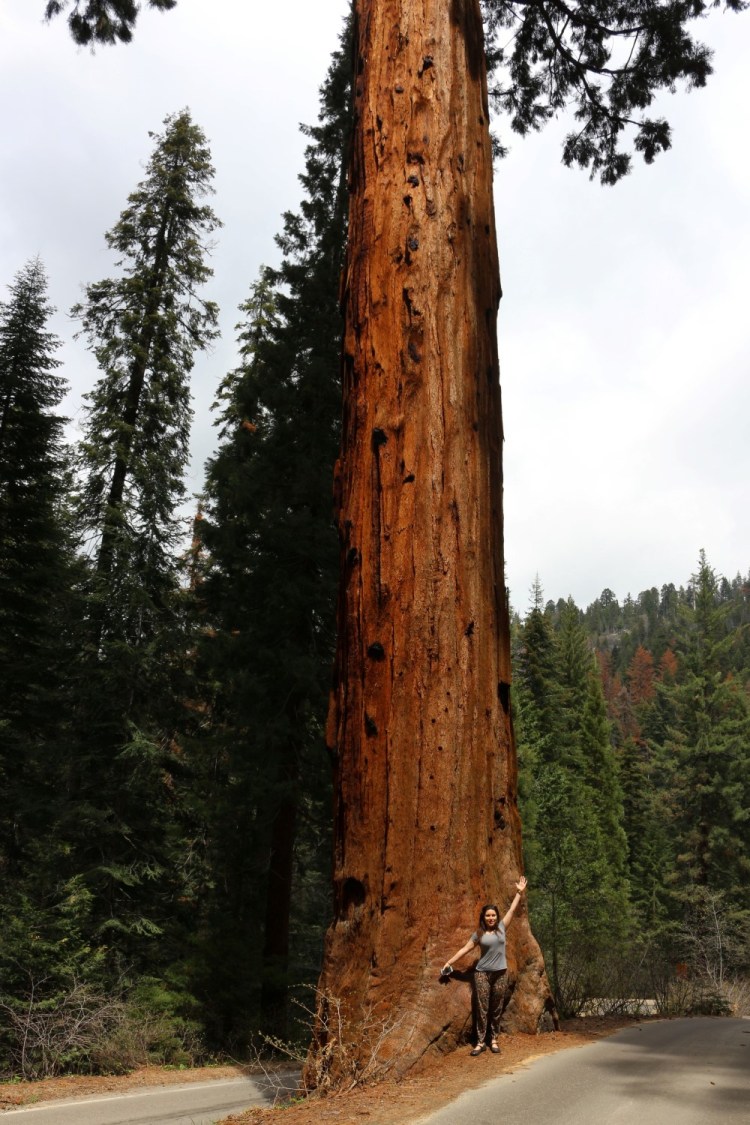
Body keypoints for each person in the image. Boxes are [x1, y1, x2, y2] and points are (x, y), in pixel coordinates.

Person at [442, 876, 528, 1056]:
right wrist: (449, 962)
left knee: (496, 1008)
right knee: (482, 1008)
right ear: (484, 917)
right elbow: (465, 948)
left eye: (493, 915)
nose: (491, 918)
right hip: (482, 974)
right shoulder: (479, 934)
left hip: (501, 973)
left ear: (497, 917)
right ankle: (480, 1042)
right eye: (488, 915)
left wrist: (519, 892)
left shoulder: (502, 927)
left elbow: (512, 909)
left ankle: (494, 1039)